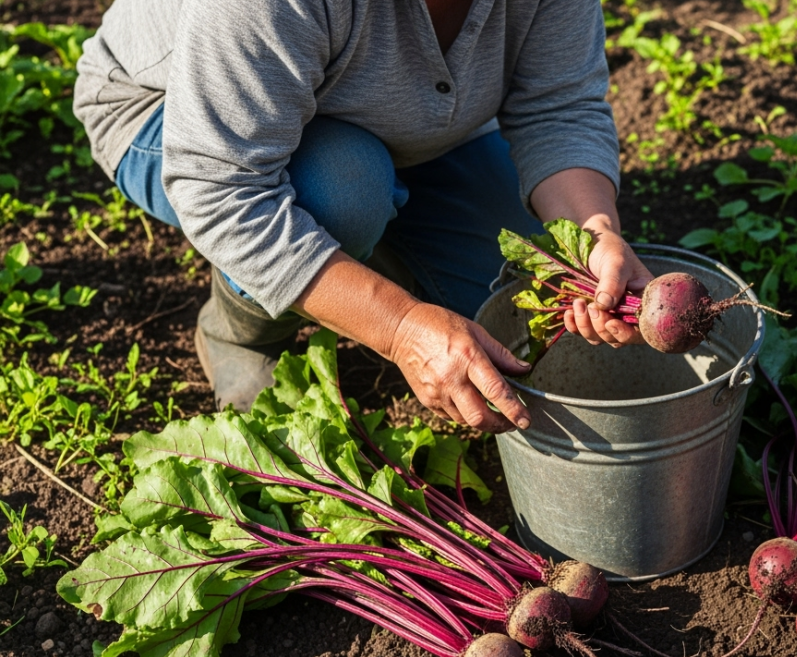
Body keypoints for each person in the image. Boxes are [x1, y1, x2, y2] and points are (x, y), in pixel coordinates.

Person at [72, 0, 651, 433]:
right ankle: (240, 327)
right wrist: (400, 329)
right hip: (183, 119)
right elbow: (223, 188)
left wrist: (592, 235)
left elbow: (559, 108)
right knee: (341, 193)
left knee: (517, 295)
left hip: (413, 124)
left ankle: (364, 250)